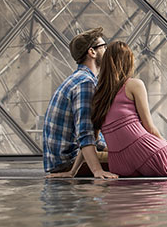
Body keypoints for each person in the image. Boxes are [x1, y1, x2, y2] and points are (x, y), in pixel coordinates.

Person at [90, 41, 167, 177]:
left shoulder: (98, 94)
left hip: (118, 163)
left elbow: (92, 138)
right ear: (128, 62)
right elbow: (149, 127)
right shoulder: (134, 85)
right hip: (145, 151)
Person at [43, 27, 119, 179]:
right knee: (137, 158)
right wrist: (97, 171)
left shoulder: (79, 79)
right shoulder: (85, 83)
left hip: (64, 159)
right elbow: (85, 133)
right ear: (92, 52)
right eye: (104, 47)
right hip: (68, 162)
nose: (107, 51)